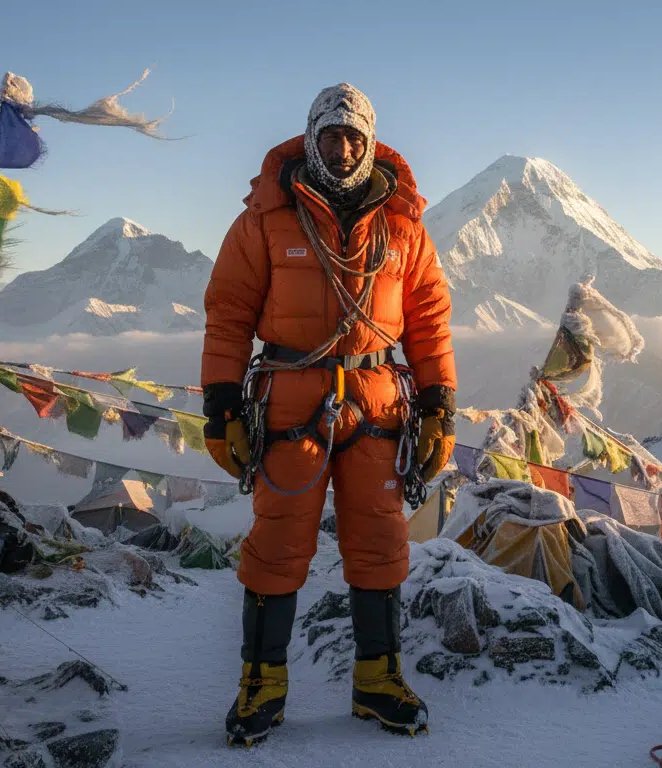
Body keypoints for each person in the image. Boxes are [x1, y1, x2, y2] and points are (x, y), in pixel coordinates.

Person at [199, 83, 456, 746]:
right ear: (310, 139)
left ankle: (379, 679)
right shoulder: (264, 219)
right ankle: (263, 684)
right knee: (278, 541)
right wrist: (221, 404)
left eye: (353, 137)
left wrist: (440, 407)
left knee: (379, 541)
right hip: (290, 396)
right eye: (329, 136)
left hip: (377, 401)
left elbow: (428, 323)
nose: (341, 149)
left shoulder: (405, 225)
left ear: (369, 144)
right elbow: (228, 316)